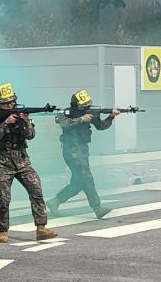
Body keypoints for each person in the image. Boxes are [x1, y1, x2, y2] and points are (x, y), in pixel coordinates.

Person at [0, 82, 57, 243]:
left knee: (36, 189)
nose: (11, 105)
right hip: (2, 162)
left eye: (12, 102)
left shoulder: (21, 114)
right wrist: (6, 123)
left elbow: (30, 135)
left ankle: (41, 228)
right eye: (7, 103)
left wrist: (25, 121)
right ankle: (2, 230)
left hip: (22, 160)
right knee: (4, 198)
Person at [45, 89, 119, 219]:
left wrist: (111, 116)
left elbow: (101, 126)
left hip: (82, 149)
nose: (87, 108)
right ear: (76, 106)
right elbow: (63, 123)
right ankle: (97, 207)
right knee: (86, 178)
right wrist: (81, 119)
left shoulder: (90, 113)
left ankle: (54, 202)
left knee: (78, 183)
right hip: (72, 149)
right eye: (84, 106)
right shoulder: (65, 112)